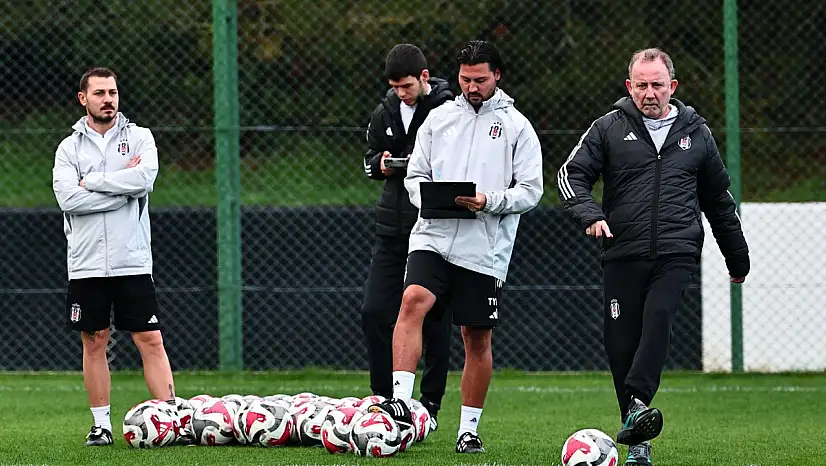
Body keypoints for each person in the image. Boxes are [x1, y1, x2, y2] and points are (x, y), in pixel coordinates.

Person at [557, 48, 750, 465]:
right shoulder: (608, 128)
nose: (649, 92)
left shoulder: (697, 133)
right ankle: (638, 440)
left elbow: (719, 200)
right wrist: (590, 214)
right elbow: (570, 175)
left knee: (659, 316)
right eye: (641, 85)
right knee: (620, 346)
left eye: (657, 84)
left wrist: (738, 259)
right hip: (622, 252)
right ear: (629, 87)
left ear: (672, 87)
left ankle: (640, 403)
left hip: (676, 251)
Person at [369, 40, 544, 454]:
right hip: (432, 234)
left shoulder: (518, 126)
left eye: (480, 79)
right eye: (465, 79)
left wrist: (490, 201)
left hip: (484, 247)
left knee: (475, 337)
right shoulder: (440, 119)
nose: (471, 87)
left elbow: (531, 190)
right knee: (411, 300)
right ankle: (399, 405)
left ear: (497, 76)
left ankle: (468, 430)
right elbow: (414, 174)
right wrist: (426, 197)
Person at [52, 67, 179, 446]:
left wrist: (92, 181)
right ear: (83, 99)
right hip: (87, 263)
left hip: (132, 260)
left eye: (113, 92)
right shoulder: (68, 148)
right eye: (100, 93)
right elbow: (67, 199)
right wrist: (120, 187)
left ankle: (172, 420)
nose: (108, 99)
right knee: (95, 340)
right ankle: (101, 426)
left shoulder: (140, 137)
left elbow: (144, 180)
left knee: (150, 338)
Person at [361, 43, 454, 431]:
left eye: (407, 86)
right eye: (395, 87)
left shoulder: (448, 110)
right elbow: (368, 158)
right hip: (392, 227)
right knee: (374, 312)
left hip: (432, 227)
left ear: (425, 78)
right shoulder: (384, 111)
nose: (402, 93)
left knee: (433, 319)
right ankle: (385, 400)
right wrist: (380, 165)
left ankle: (428, 405)